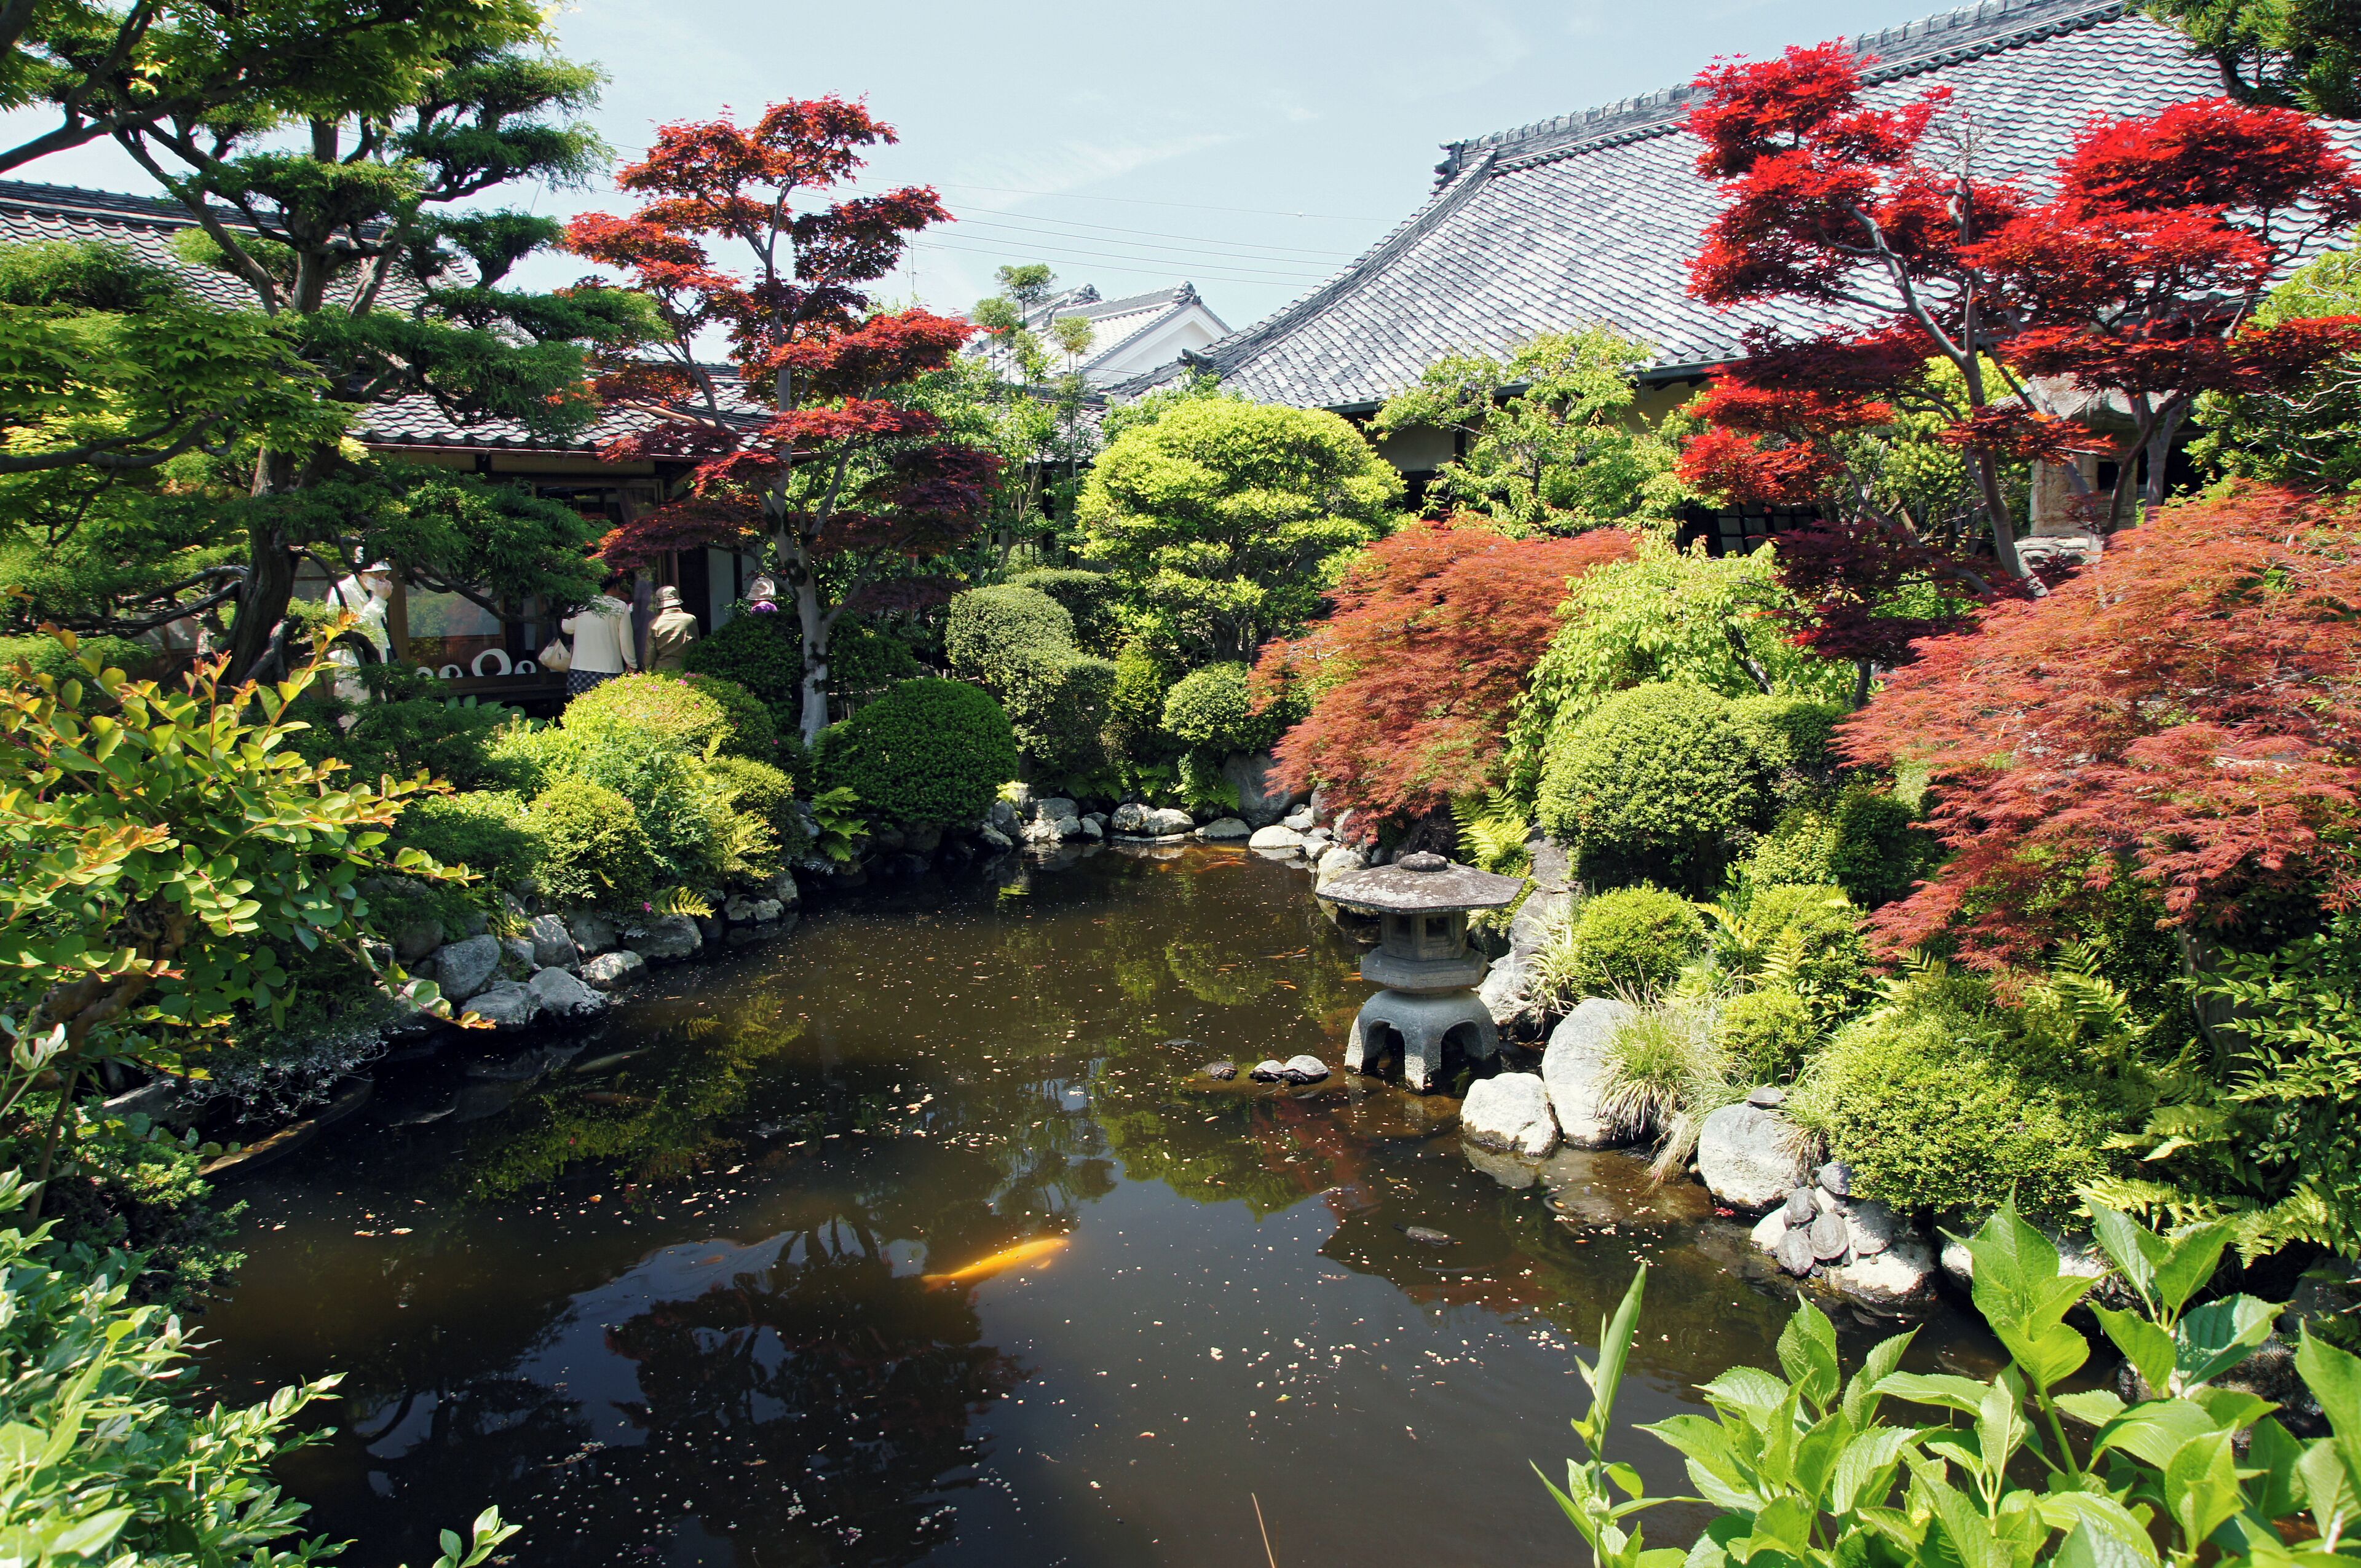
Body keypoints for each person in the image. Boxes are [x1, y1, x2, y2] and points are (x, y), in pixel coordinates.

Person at [561, 575, 638, 698]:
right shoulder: (620, 606)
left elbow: (567, 628)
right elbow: (626, 639)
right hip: (610, 667)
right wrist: (632, 663)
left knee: (582, 706)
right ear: (614, 586)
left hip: (580, 667)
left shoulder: (580, 604)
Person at [646, 585, 700, 673]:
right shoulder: (690, 620)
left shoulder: (654, 624)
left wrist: (647, 671)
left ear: (659, 603)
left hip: (662, 670)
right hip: (687, 668)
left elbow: (650, 653)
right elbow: (697, 646)